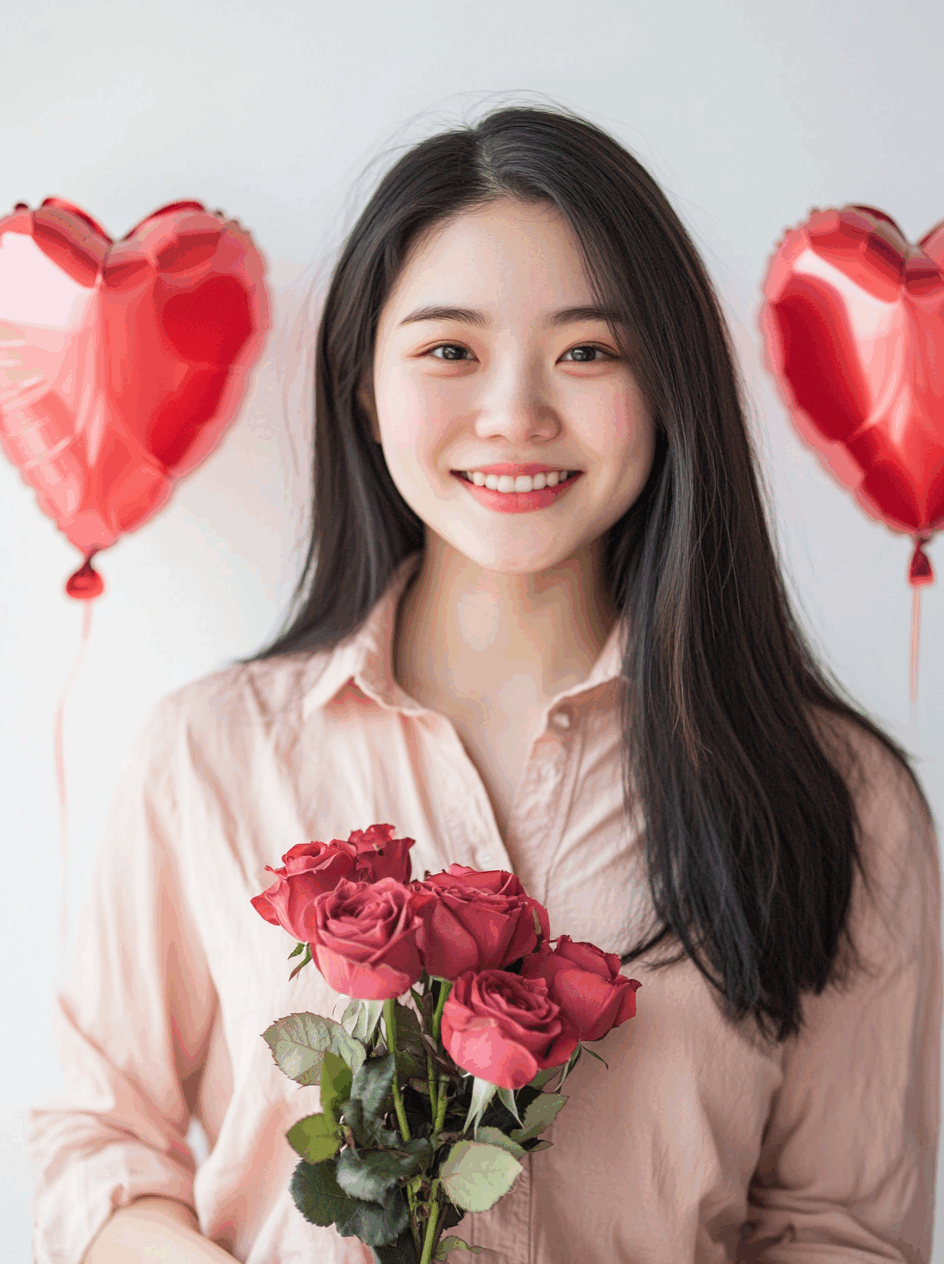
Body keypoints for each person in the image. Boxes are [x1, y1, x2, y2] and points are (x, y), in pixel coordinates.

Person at [30, 103, 941, 1264]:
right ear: (364, 384)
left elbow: (842, 1226)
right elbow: (98, 1145)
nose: (515, 414)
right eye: (448, 349)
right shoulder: (205, 752)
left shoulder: (842, 796)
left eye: (588, 350)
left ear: (667, 387)